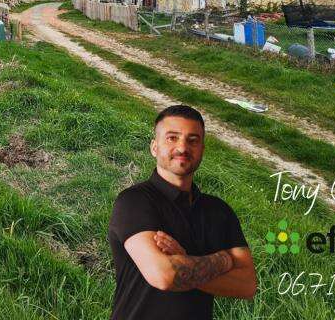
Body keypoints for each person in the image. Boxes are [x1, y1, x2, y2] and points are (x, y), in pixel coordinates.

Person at [108, 105, 256, 319]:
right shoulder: (134, 201)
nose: (182, 147)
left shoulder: (219, 212)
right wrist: (224, 260)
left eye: (193, 140)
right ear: (154, 147)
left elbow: (247, 285)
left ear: (202, 149)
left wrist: (184, 260)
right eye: (172, 138)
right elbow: (164, 275)